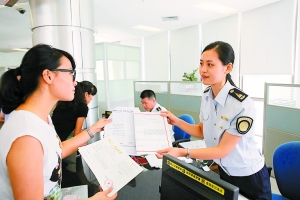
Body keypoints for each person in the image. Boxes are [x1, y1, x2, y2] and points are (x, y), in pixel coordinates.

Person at [0, 44, 117, 200]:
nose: (75, 82)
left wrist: (94, 129)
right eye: (70, 73)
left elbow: (58, 149)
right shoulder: (27, 136)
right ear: (48, 76)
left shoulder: (40, 117)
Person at [156, 41, 271, 199]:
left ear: (227, 68)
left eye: (210, 64)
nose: (203, 70)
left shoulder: (242, 104)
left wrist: (183, 152)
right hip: (225, 171)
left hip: (249, 175)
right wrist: (176, 121)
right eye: (201, 63)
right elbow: (202, 130)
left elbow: (222, 150)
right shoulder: (207, 96)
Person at [51, 80, 99, 196]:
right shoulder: (82, 107)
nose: (91, 98)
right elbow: (77, 135)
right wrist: (90, 133)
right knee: (73, 174)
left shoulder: (64, 102)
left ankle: (86, 187)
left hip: (53, 142)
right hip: (64, 148)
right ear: (86, 94)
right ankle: (85, 192)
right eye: (91, 95)